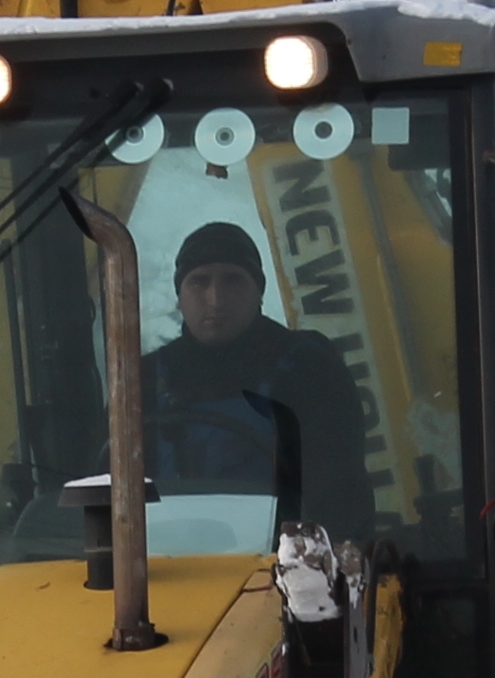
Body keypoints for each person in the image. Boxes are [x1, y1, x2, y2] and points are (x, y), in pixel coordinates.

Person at [142, 220, 374, 542]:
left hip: (283, 571)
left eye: (233, 280)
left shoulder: (308, 368)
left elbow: (338, 497)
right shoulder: (141, 380)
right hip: (163, 571)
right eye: (199, 282)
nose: (215, 298)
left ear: (259, 291)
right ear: (179, 296)